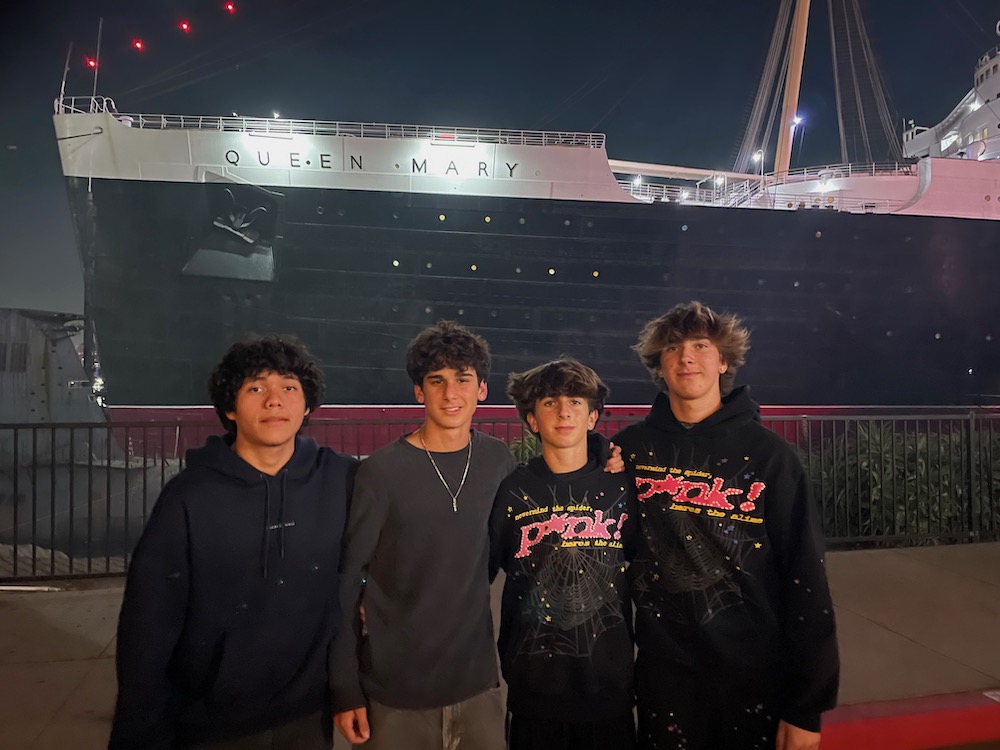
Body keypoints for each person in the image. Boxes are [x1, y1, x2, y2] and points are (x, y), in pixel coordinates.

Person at [330, 322, 623, 750]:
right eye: (437, 381)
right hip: (397, 691)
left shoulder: (496, 459)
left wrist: (601, 454)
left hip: (479, 685)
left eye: (462, 379)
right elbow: (345, 581)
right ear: (419, 392)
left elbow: (553, 475)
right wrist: (344, 686)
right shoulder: (381, 472)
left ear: (481, 389)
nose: (451, 394)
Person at [108, 335, 357, 750]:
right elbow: (147, 624)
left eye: (289, 388)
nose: (274, 400)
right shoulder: (188, 497)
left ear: (308, 405)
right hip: (213, 722)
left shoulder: (342, 480)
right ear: (229, 408)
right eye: (256, 388)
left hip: (308, 716)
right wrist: (140, 729)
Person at [612, 301, 839, 750]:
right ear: (659, 364)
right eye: (673, 348)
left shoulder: (770, 456)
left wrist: (806, 707)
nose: (686, 357)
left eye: (701, 345)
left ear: (724, 360)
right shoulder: (628, 451)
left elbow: (805, 578)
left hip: (753, 678)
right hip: (665, 678)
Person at [489, 358, 638, 750]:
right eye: (550, 402)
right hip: (535, 689)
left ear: (592, 418)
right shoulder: (513, 491)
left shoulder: (620, 487)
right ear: (532, 420)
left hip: (610, 686)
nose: (564, 411)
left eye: (576, 401)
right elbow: (479, 569)